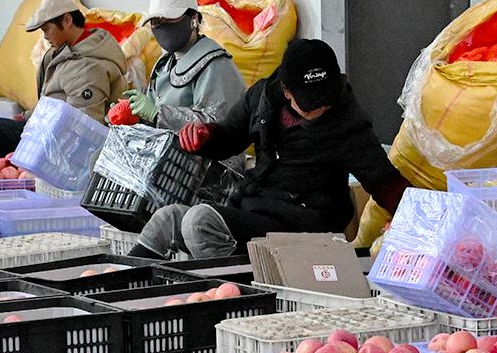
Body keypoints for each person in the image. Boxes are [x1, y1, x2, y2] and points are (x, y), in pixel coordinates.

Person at [131, 37, 409, 261]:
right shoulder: (262, 99)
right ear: (286, 91)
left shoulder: (348, 123)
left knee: (199, 222)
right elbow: (229, 138)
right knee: (168, 218)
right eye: (309, 104)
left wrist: (416, 222)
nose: (319, 110)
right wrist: (205, 137)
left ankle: (239, 292)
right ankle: (121, 284)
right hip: (255, 209)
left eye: (325, 100)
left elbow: (385, 182)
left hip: (305, 226)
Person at [0, 0, 127, 160]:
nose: (45, 36)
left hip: (62, 144)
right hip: (47, 129)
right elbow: (50, 100)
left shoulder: (88, 68)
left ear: (67, 20)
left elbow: (84, 128)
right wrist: (27, 117)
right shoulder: (61, 53)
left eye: (47, 29)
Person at [120, 0, 244, 129]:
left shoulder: (215, 65)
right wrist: (133, 113)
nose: (163, 26)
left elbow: (218, 124)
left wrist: (159, 114)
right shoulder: (164, 64)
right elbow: (151, 113)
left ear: (194, 19)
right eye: (156, 21)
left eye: (170, 18)